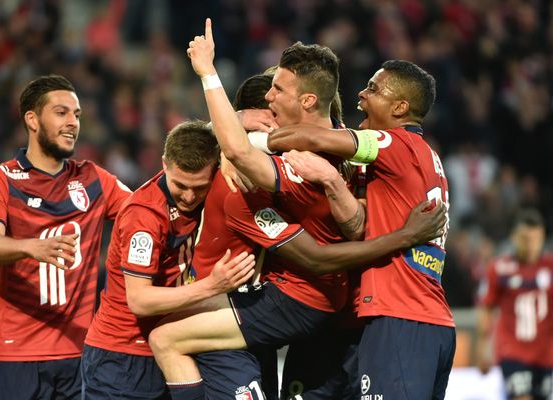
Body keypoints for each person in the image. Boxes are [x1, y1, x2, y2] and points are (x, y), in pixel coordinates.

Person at [147, 19, 447, 400]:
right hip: (336, 313)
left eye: (278, 90)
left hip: (341, 311)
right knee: (169, 329)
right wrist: (233, 136)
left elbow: (336, 241)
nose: (271, 98)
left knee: (166, 337)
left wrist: (215, 87)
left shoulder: (321, 163)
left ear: (304, 101)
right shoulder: (323, 158)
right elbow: (348, 229)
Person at [268, 59, 455, 399]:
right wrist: (331, 181)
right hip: (423, 318)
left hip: (399, 315)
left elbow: (305, 136)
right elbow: (359, 227)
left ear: (400, 107)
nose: (361, 94)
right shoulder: (421, 159)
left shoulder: (393, 144)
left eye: (373, 88)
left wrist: (258, 140)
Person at [0, 74, 132, 400]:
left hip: (79, 353)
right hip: (15, 354)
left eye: (77, 115)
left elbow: (143, 209)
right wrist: (33, 247)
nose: (73, 123)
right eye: (61, 113)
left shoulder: (93, 179)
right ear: (32, 119)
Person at [81, 120, 258, 400]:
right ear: (164, 164)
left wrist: (241, 117)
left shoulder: (205, 187)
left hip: (166, 347)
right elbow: (139, 301)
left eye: (199, 187)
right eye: (180, 185)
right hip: (122, 357)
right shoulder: (145, 216)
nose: (189, 196)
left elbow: (213, 136)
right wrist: (212, 286)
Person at [476, 208, 553, 400]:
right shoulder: (500, 268)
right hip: (513, 352)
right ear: (514, 237)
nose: (530, 245)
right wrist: (482, 347)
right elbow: (486, 307)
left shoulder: (550, 268)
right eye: (525, 238)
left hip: (547, 355)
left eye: (535, 238)